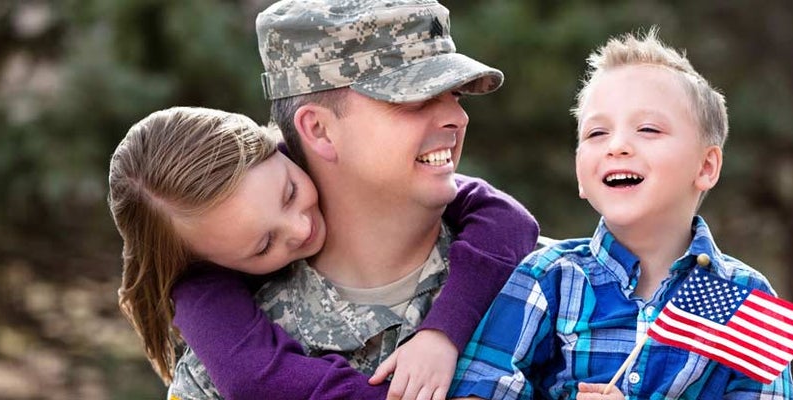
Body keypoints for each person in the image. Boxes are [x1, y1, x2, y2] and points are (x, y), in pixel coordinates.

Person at [157, 1, 540, 399]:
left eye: (455, 93)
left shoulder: (553, 289)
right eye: (415, 99)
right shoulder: (223, 361)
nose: (458, 118)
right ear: (319, 129)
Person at [449, 29, 793, 399]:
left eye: (648, 128)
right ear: (580, 174)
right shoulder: (549, 277)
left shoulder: (745, 298)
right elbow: (478, 390)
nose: (617, 146)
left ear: (706, 166)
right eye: (597, 133)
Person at [107, 106, 536, 400]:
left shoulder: (330, 165)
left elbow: (507, 218)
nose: (299, 228)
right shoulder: (206, 299)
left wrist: (441, 333)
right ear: (212, 264)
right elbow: (254, 378)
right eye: (263, 246)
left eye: (289, 193)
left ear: (275, 148)